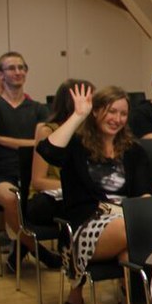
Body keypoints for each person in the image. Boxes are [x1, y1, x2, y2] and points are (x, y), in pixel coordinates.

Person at [35, 85, 152, 304]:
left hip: (127, 226)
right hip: (87, 227)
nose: (116, 118)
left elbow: (143, 193)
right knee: (141, 238)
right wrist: (78, 116)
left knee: (136, 258)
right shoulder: (76, 146)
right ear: (96, 111)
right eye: (110, 111)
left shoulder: (133, 151)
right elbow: (47, 151)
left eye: (123, 113)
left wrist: (141, 210)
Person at [0, 52, 48, 245]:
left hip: (32, 172)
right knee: (11, 198)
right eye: (11, 68)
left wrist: (0, 139)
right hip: (0, 173)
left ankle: (27, 246)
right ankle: (34, 249)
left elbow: (43, 143)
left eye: (21, 68)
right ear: (0, 75)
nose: (18, 72)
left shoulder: (38, 108)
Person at [25, 79, 94, 269]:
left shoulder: (89, 132)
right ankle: (72, 259)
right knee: (83, 209)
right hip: (45, 199)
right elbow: (38, 181)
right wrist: (76, 186)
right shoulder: (47, 130)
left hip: (70, 198)